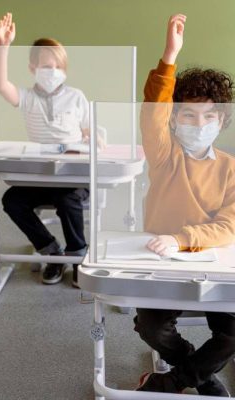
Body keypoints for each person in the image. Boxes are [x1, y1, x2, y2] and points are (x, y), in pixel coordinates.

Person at [135, 14, 235, 397]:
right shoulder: (164, 155)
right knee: (150, 327)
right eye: (189, 115)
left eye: (209, 116)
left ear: (222, 121)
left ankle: (174, 380)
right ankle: (200, 372)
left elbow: (229, 226)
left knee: (232, 331)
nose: (199, 123)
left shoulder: (229, 168)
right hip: (161, 264)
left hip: (215, 264)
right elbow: (152, 113)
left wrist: (182, 238)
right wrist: (169, 57)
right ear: (175, 120)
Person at [0, 12, 93, 287]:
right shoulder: (27, 98)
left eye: (57, 67)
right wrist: (3, 47)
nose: (52, 72)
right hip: (40, 176)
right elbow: (2, 86)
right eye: (46, 66)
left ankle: (77, 254)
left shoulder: (76, 97)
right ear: (32, 68)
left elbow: (90, 129)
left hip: (72, 176)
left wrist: (93, 139)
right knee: (12, 201)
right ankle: (51, 251)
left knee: (68, 200)